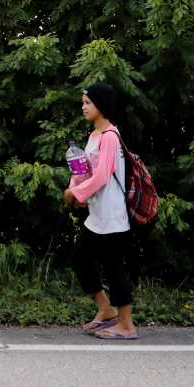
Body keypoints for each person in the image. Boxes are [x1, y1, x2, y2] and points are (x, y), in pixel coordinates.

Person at [63, 82, 138, 340]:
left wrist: (78, 194)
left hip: (112, 216)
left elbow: (104, 175)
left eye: (88, 103)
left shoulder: (109, 136)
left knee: (114, 267)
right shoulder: (94, 135)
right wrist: (73, 189)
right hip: (97, 216)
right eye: (83, 102)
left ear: (101, 106)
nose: (83, 107)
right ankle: (106, 309)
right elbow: (83, 170)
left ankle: (126, 325)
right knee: (80, 258)